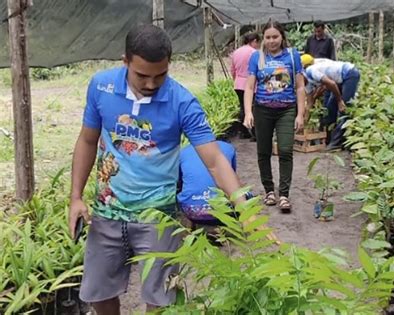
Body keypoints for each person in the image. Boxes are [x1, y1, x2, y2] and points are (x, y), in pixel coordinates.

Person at [68, 24, 244, 315]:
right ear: (125, 61)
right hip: (108, 212)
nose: (151, 84)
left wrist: (245, 209)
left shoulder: (182, 101)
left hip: (158, 217)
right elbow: (87, 140)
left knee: (161, 300)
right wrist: (75, 197)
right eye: (142, 75)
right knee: (98, 293)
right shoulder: (101, 87)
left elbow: (213, 159)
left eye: (160, 75)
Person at [243, 20, 305, 213]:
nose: (271, 41)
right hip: (263, 110)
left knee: (286, 150)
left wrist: (300, 114)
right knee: (264, 151)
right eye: (268, 37)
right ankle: (269, 191)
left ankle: (284, 194)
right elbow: (250, 87)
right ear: (263, 38)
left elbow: (300, 86)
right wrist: (248, 112)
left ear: (282, 37)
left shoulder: (293, 57)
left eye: (275, 37)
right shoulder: (257, 57)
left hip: (286, 110)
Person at [301, 55, 360, 150]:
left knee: (344, 110)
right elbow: (309, 104)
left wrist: (340, 101)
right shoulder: (306, 84)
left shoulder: (311, 71)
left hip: (349, 74)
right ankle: (328, 139)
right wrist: (304, 122)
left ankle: (337, 143)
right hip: (338, 81)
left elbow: (331, 84)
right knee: (329, 109)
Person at [177, 140, 237, 226]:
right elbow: (232, 177)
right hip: (223, 211)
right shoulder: (228, 147)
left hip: (191, 211)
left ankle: (189, 229)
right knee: (243, 194)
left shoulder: (183, 151)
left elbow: (180, 181)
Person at [230, 32, 260, 140]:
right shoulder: (254, 53)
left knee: (243, 107)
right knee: (254, 109)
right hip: (252, 85)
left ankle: (243, 132)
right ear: (255, 41)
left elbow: (232, 70)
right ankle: (255, 134)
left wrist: (236, 80)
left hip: (238, 84)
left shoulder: (236, 52)